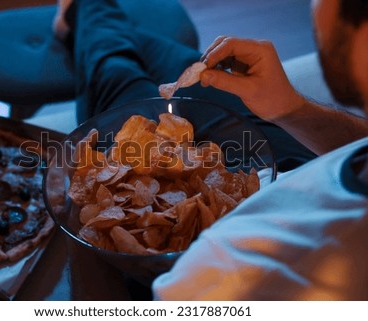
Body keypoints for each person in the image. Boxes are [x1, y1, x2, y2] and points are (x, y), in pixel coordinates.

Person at [57, 0, 368, 300]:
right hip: (305, 156)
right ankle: (99, 20)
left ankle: (84, 10)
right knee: (185, 66)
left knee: (116, 72)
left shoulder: (223, 275)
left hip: (208, 231)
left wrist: (85, 240)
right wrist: (290, 108)